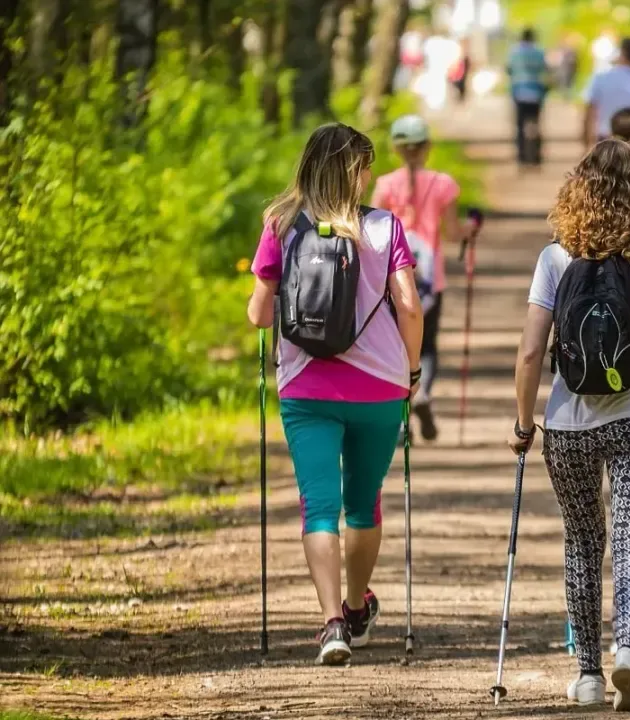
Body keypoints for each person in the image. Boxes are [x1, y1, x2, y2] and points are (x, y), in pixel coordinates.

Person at [509, 139, 630, 711]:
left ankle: (589, 674)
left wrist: (524, 423)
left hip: (567, 425)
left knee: (582, 540)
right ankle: (628, 655)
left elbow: (529, 352)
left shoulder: (555, 257)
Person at [246, 123, 424, 665]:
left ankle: (331, 626)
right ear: (355, 171)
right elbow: (410, 306)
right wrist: (411, 371)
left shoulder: (281, 224)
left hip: (306, 387)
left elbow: (258, 313)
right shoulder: (384, 227)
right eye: (365, 166)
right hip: (379, 389)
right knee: (363, 504)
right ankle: (354, 604)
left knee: (317, 508)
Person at [372, 115, 477, 442]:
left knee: (395, 345)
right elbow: (452, 233)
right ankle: (423, 394)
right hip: (431, 277)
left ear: (395, 148)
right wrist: (471, 228)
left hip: (394, 275)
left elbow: (373, 230)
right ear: (428, 147)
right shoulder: (443, 184)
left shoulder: (385, 185)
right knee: (426, 344)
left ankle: (400, 419)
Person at [508, 27, 550, 167]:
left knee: (520, 126)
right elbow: (546, 69)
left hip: (519, 92)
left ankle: (522, 156)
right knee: (536, 124)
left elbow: (508, 69)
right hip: (536, 92)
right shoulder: (539, 51)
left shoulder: (515, 52)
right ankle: (536, 156)